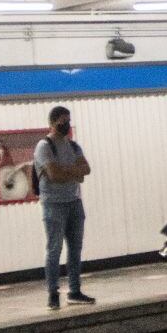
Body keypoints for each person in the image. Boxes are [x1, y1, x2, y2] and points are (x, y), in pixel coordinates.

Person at [34, 106, 95, 310]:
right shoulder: (44, 146)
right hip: (53, 205)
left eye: (68, 120)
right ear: (52, 123)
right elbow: (54, 175)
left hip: (74, 202)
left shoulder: (74, 146)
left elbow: (86, 170)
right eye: (62, 121)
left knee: (75, 249)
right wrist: (73, 172)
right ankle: (53, 294)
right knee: (54, 249)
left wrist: (66, 171)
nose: (66, 125)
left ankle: (74, 291)